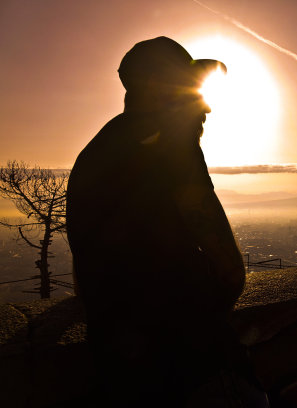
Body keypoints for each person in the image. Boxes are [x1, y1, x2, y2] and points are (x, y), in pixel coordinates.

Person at [66, 37, 267, 407]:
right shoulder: (173, 147)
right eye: (192, 90)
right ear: (158, 86)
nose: (205, 105)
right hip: (196, 367)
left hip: (124, 372)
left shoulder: (92, 156)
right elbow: (230, 271)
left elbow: (86, 268)